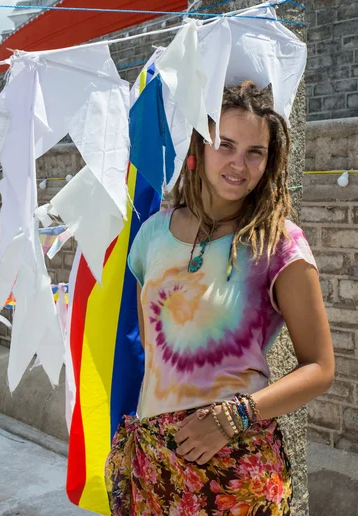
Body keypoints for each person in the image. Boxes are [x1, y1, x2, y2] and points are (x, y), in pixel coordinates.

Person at [105, 81, 334, 515]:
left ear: (270, 162)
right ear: (200, 145)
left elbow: (320, 368)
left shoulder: (278, 243)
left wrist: (235, 417)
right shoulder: (152, 234)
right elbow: (150, 355)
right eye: (225, 144)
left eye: (255, 152)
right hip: (154, 467)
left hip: (236, 471)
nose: (238, 164)